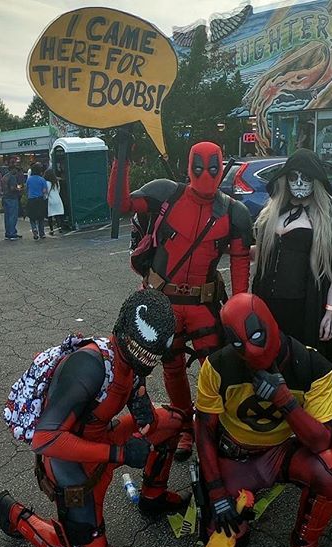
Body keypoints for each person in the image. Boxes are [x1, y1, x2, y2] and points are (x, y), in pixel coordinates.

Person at [0, 289, 189, 547]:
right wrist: (120, 453)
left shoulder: (133, 361)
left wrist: (142, 408)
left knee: (173, 421)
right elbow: (46, 439)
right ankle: (13, 514)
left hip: (103, 438)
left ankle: (153, 496)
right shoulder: (90, 365)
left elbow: (134, 386)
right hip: (70, 461)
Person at [108, 139, 253, 479]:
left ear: (221, 167)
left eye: (213, 166)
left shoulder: (234, 212)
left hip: (203, 305)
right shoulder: (166, 194)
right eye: (199, 166)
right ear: (189, 165)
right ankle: (186, 425)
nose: (206, 173)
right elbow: (120, 203)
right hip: (165, 304)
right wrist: (121, 158)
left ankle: (213, 428)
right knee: (171, 368)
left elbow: (240, 264)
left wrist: (239, 310)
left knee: (215, 370)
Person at [195, 293, 332, 547]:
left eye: (256, 335)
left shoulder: (313, 365)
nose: (251, 349)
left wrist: (285, 401)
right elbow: (203, 432)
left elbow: (320, 441)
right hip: (234, 456)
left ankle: (305, 543)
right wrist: (215, 493)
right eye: (240, 343)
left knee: (329, 473)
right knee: (226, 543)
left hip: (280, 453)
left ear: (272, 324)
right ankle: (238, 509)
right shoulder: (217, 366)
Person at [252, 148, 332, 437]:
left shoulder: (329, 220)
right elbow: (260, 255)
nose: (299, 183)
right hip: (270, 304)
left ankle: (306, 427)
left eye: (305, 177)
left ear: (316, 182)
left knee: (302, 367)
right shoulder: (274, 212)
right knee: (272, 363)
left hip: (304, 307)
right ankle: (273, 426)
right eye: (293, 177)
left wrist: (330, 312)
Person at [26, 163, 48, 240]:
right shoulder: (42, 179)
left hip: (31, 199)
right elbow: (45, 191)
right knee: (40, 217)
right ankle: (42, 233)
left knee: (32, 217)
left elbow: (27, 189)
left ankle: (34, 229)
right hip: (40, 199)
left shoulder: (29, 179)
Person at [2, 165, 22, 240]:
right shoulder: (12, 177)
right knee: (13, 216)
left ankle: (8, 233)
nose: (16, 171)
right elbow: (12, 188)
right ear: (13, 169)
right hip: (12, 198)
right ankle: (12, 233)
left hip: (5, 197)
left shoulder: (4, 177)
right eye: (16, 169)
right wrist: (19, 189)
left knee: (7, 216)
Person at [44, 169, 65, 234]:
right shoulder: (56, 182)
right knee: (58, 215)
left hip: (50, 200)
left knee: (50, 215)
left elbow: (45, 192)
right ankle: (60, 228)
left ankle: (51, 230)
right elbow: (59, 190)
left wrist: (45, 197)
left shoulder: (46, 183)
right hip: (58, 199)